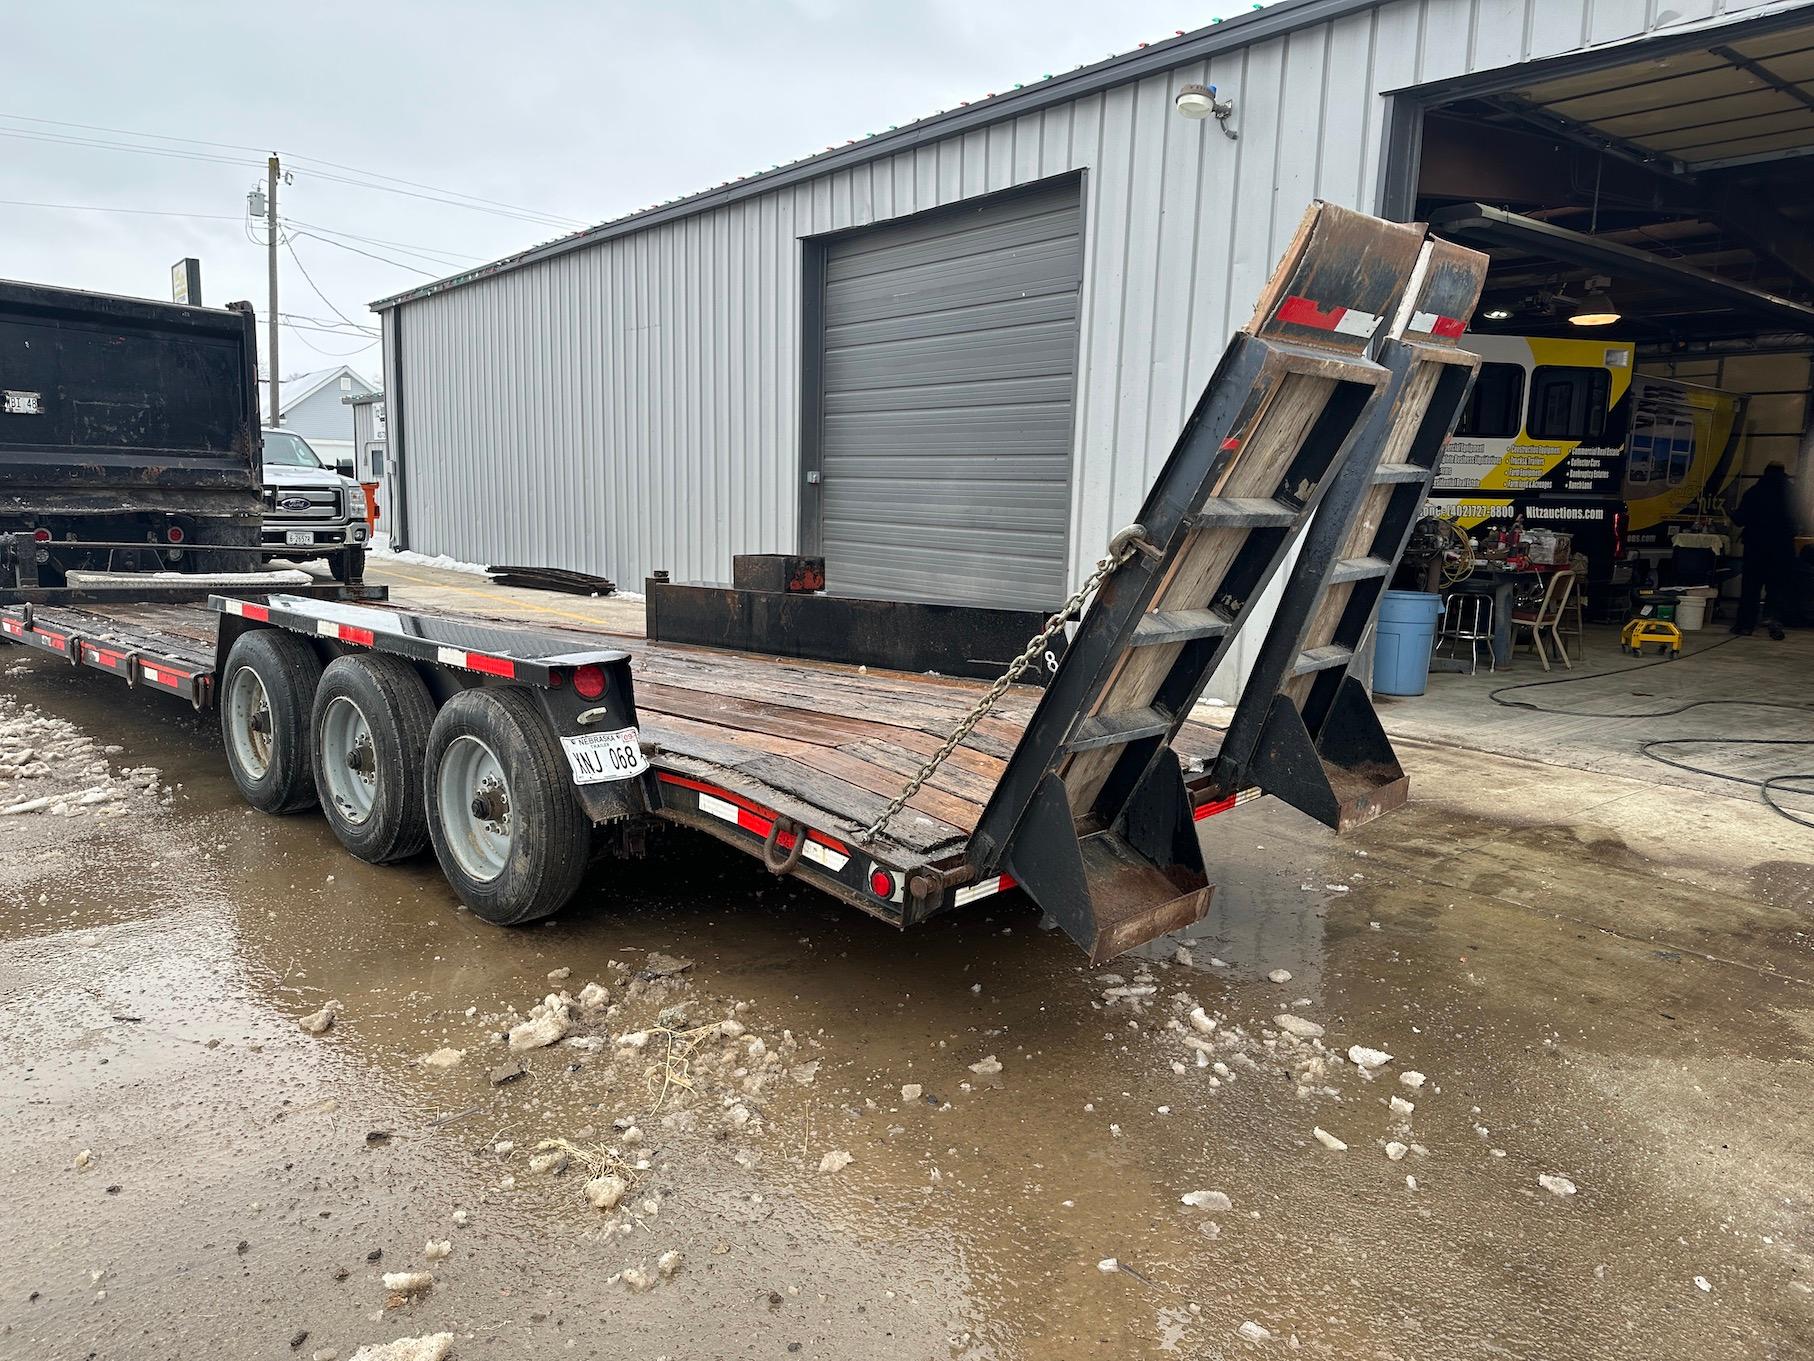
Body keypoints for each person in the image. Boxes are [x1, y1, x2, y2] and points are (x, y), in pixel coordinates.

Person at [1730, 463, 1797, 639]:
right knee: (1777, 588)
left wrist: (1732, 512)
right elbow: (1800, 520)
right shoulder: (1792, 494)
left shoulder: (1754, 492)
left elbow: (1740, 519)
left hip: (1755, 548)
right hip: (1783, 549)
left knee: (1751, 588)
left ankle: (1745, 625)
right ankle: (1774, 622)